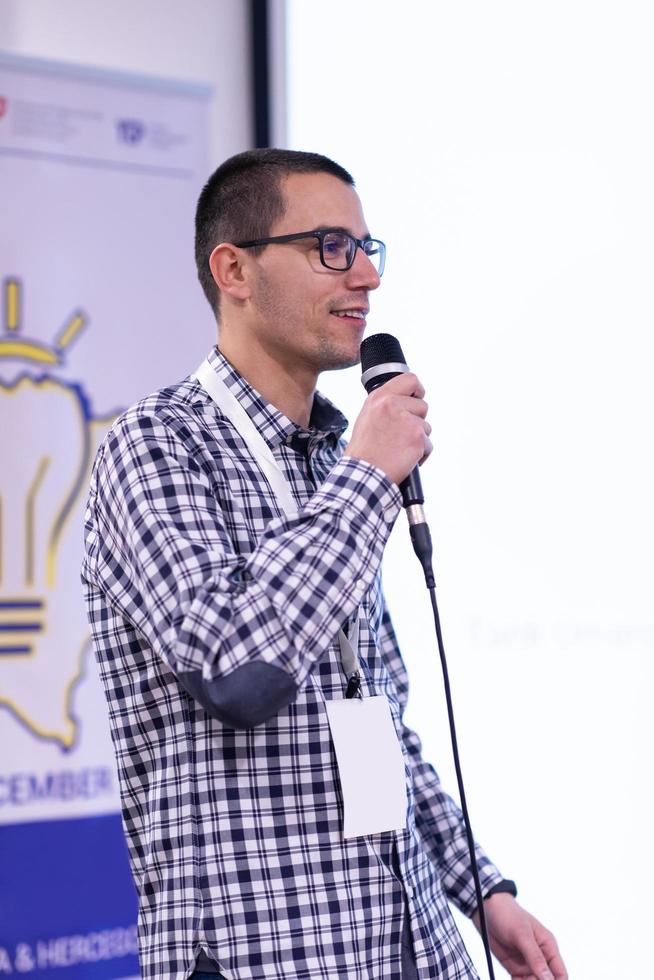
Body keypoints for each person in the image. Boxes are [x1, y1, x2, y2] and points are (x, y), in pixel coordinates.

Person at [82, 148, 567, 980]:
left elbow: (371, 720)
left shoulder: (330, 462)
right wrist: (369, 477)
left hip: (408, 940)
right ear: (234, 269)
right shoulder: (157, 445)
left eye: (368, 249)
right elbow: (236, 668)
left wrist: (482, 890)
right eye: (330, 248)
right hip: (267, 955)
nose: (366, 279)